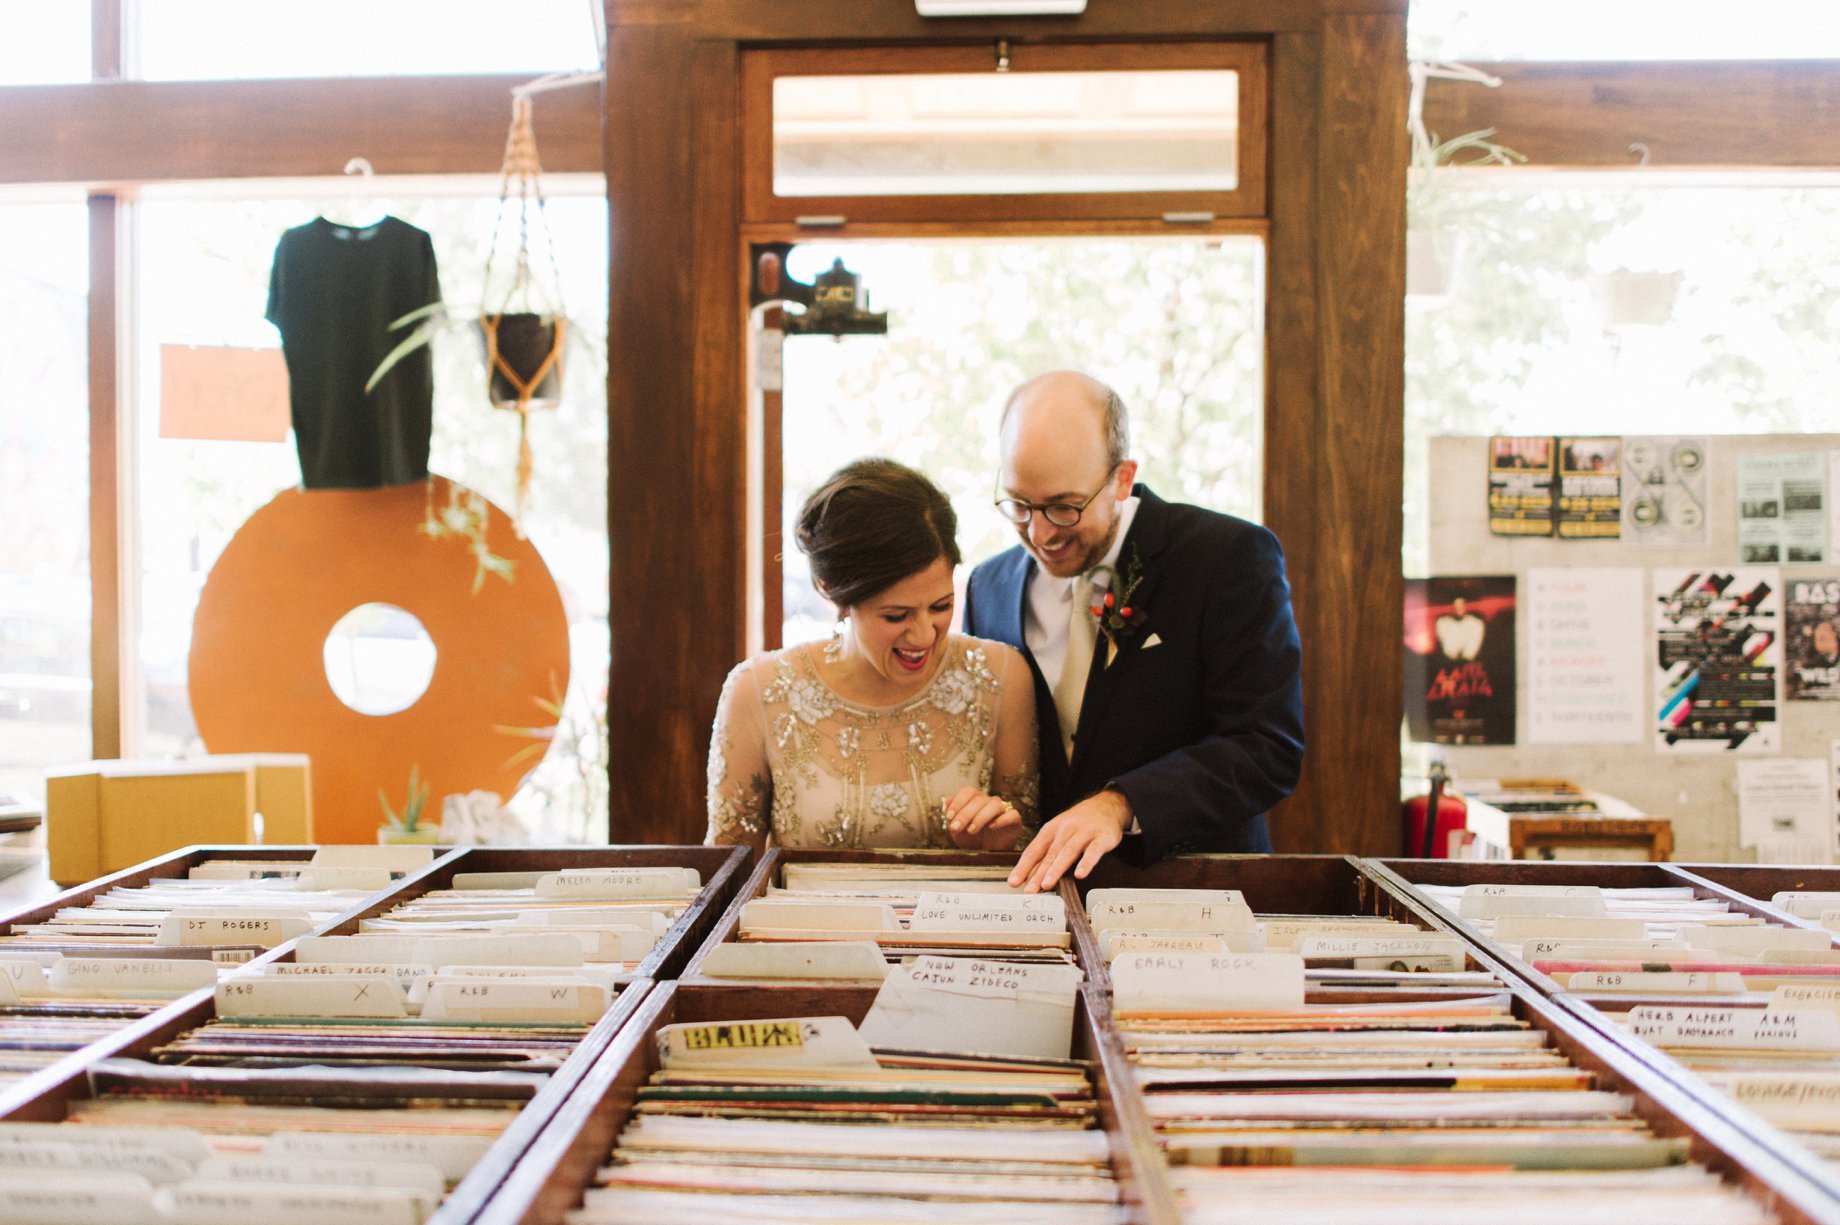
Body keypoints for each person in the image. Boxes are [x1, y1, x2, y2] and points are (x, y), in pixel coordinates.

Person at [962, 371, 1304, 892]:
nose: (1041, 532)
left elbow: (1265, 746)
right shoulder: (988, 586)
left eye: (1064, 506)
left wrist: (1122, 803)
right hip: (1038, 900)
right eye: (1019, 505)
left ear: (1122, 478)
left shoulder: (1227, 558)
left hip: (1192, 893)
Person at [706, 458, 1038, 854]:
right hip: (801, 918)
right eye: (896, 615)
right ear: (834, 593)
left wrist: (994, 844)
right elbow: (728, 869)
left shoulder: (1001, 677)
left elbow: (1029, 848)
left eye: (940, 606)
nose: (923, 635)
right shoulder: (757, 692)